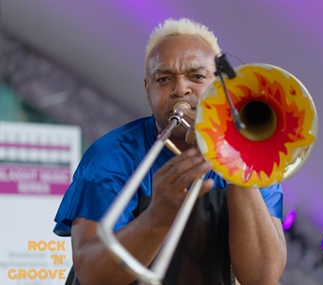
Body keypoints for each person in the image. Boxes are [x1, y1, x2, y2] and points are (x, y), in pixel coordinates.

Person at [54, 18, 287, 285]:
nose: (180, 89)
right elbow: (92, 275)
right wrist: (158, 216)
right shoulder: (111, 155)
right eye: (164, 79)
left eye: (196, 76)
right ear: (148, 91)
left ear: (220, 86)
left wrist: (233, 162)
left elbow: (263, 277)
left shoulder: (255, 156)